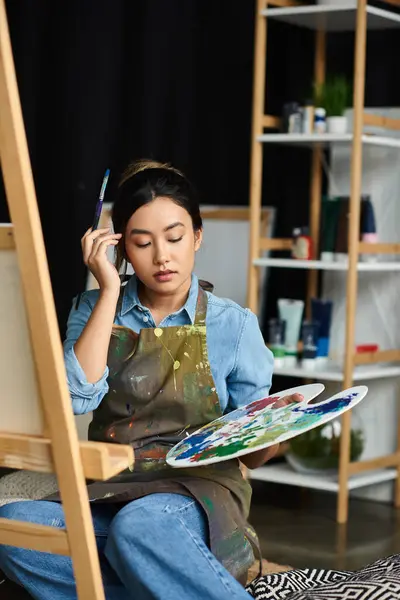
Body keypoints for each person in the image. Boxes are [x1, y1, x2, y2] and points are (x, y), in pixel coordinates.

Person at [0, 159, 302, 600]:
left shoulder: (233, 325)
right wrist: (106, 292)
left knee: (140, 526)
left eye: (176, 237)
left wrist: (274, 430)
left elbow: (253, 456)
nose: (162, 256)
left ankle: (159, 562)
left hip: (196, 493)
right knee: (14, 530)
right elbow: (72, 400)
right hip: (112, 488)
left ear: (197, 236)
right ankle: (167, 578)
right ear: (121, 249)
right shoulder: (91, 309)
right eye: (142, 244)